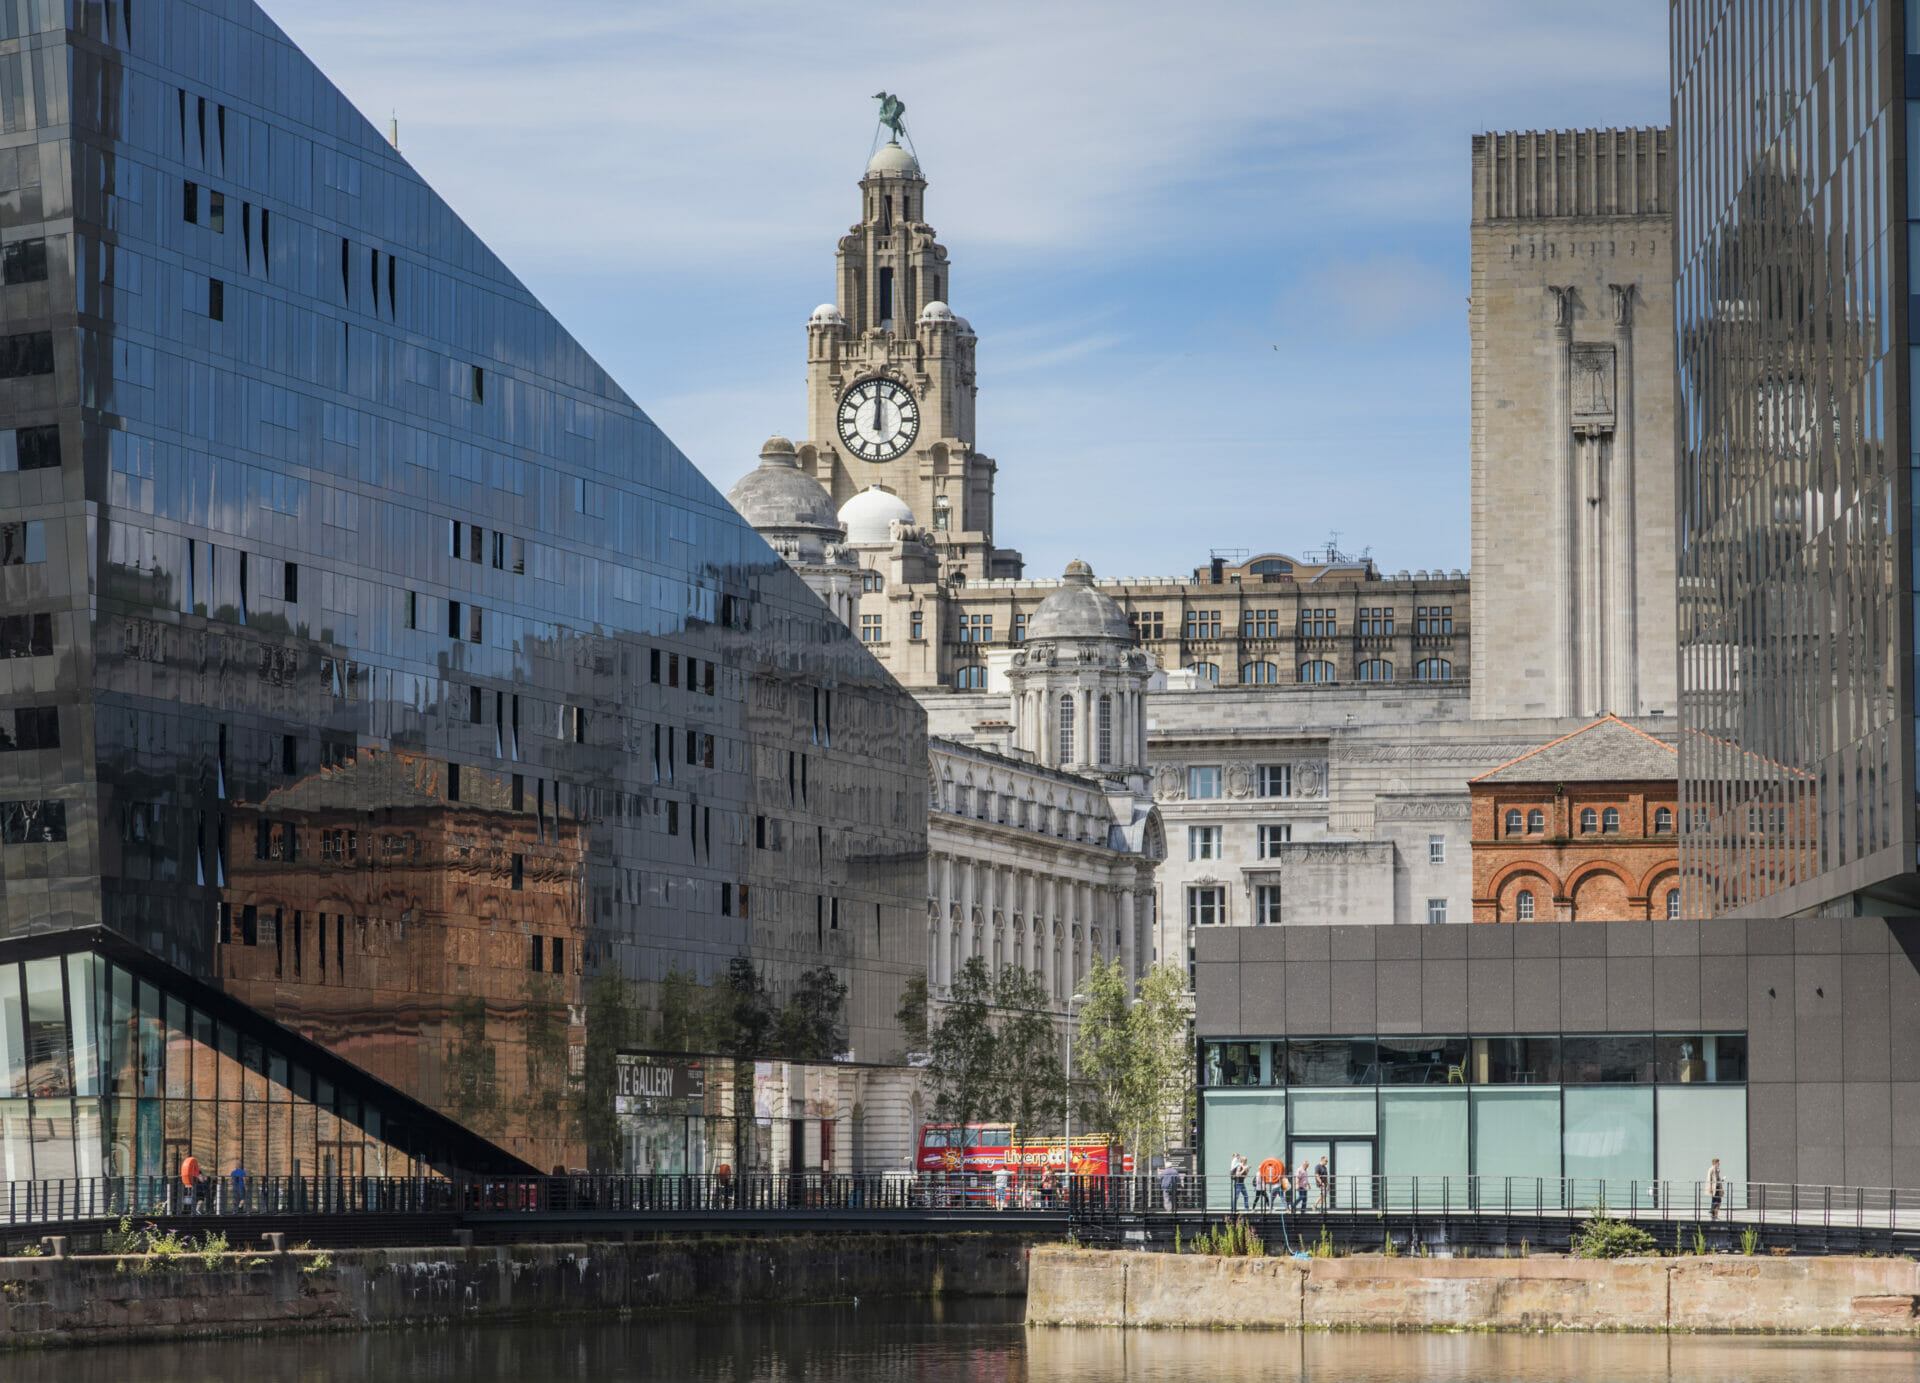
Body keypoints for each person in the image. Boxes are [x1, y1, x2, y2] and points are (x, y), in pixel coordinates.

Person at [1707, 1157, 1724, 1221]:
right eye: (1718, 1162)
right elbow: (1710, 1179)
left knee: (1716, 1201)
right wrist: (1710, 1188)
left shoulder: (1716, 1170)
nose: (1719, 1164)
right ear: (1715, 1163)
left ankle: (1714, 1215)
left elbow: (1717, 1179)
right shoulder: (1711, 1169)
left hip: (1717, 1187)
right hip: (1714, 1188)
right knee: (1717, 1201)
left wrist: (1721, 1180)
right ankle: (1712, 1211)